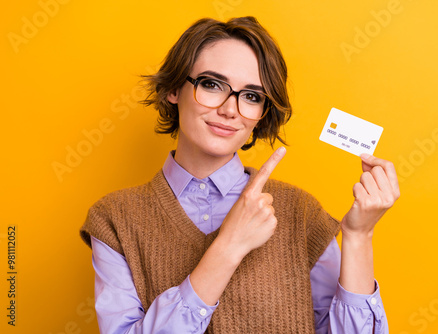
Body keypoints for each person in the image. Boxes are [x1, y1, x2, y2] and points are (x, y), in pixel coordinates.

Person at [80, 16, 399, 334]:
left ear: (261, 115)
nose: (230, 109)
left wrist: (359, 236)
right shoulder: (115, 219)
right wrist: (228, 248)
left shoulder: (300, 213)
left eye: (251, 96)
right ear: (174, 89)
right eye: (211, 84)